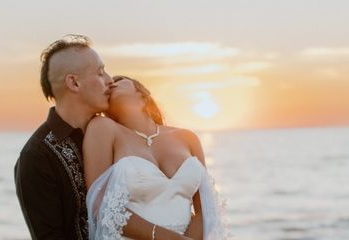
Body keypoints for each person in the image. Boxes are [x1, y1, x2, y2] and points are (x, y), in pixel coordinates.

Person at [15, 35, 194, 240]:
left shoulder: (119, 133)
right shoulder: (38, 156)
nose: (110, 80)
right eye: (100, 73)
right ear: (74, 82)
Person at [84, 75, 228, 240]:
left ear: (143, 95)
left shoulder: (187, 138)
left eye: (117, 81)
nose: (110, 83)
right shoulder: (103, 128)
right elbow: (99, 205)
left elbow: (205, 208)